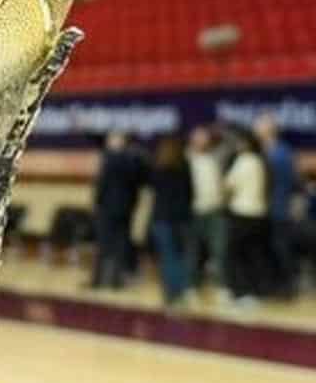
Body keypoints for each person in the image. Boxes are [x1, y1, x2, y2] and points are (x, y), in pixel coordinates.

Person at [91, 130, 148, 290]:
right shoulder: (132, 159)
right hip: (122, 207)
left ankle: (105, 280)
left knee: (110, 245)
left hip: (113, 208)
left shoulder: (117, 159)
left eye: (112, 139)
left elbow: (104, 184)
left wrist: (97, 203)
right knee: (114, 245)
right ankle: (109, 280)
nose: (109, 142)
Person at [222, 125, 272, 306]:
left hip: (242, 214)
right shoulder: (260, 161)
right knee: (255, 255)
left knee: (235, 255)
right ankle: (257, 291)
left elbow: (228, 185)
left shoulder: (242, 161)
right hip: (259, 214)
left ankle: (240, 292)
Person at [147, 135, 194, 307]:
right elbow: (191, 192)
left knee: (168, 257)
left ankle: (170, 295)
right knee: (181, 257)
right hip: (182, 218)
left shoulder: (158, 168)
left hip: (162, 218)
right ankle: (181, 293)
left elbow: (152, 190)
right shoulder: (185, 166)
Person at [255, 114, 298, 297]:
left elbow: (289, 182)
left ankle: (286, 286)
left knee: (280, 248)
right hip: (263, 208)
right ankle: (270, 285)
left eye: (259, 128)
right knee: (268, 249)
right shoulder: (263, 152)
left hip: (278, 208)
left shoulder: (280, 153)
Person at [186, 124, 226, 290]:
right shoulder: (186, 159)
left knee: (219, 250)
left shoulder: (214, 159)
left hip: (215, 210)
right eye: (198, 137)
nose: (202, 141)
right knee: (193, 252)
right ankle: (192, 285)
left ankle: (220, 285)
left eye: (204, 137)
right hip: (194, 211)